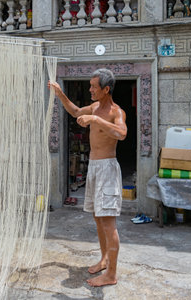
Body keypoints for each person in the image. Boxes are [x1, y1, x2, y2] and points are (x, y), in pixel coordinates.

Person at [48, 69, 127, 287]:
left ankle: (111, 275)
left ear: (106, 89)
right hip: (93, 167)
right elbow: (74, 111)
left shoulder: (116, 112)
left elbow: (121, 133)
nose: (90, 89)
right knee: (98, 217)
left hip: (107, 169)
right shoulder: (93, 106)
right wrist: (60, 94)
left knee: (109, 222)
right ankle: (104, 259)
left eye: (93, 86)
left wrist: (95, 119)